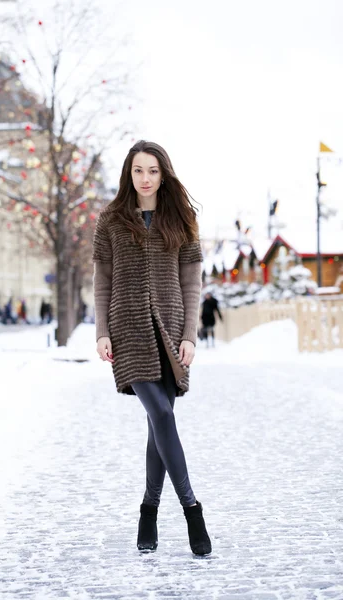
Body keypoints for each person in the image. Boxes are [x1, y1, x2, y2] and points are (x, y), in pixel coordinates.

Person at [92, 140, 212, 556]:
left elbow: (192, 282)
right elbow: (102, 279)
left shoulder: (181, 217)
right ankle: (193, 511)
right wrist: (102, 330)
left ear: (164, 174)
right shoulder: (110, 220)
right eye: (138, 170)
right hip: (128, 331)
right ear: (129, 173)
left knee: (157, 426)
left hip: (171, 331)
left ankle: (148, 511)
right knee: (160, 413)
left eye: (153, 171)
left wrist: (190, 335)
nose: (145, 178)